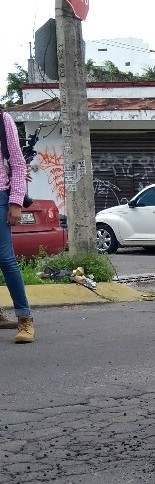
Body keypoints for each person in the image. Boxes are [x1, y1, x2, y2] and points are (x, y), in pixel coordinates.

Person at [0, 111, 35, 343]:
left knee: (5, 258)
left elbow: (18, 164)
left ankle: (25, 318)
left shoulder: (3, 120)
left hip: (0, 196)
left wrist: (15, 202)